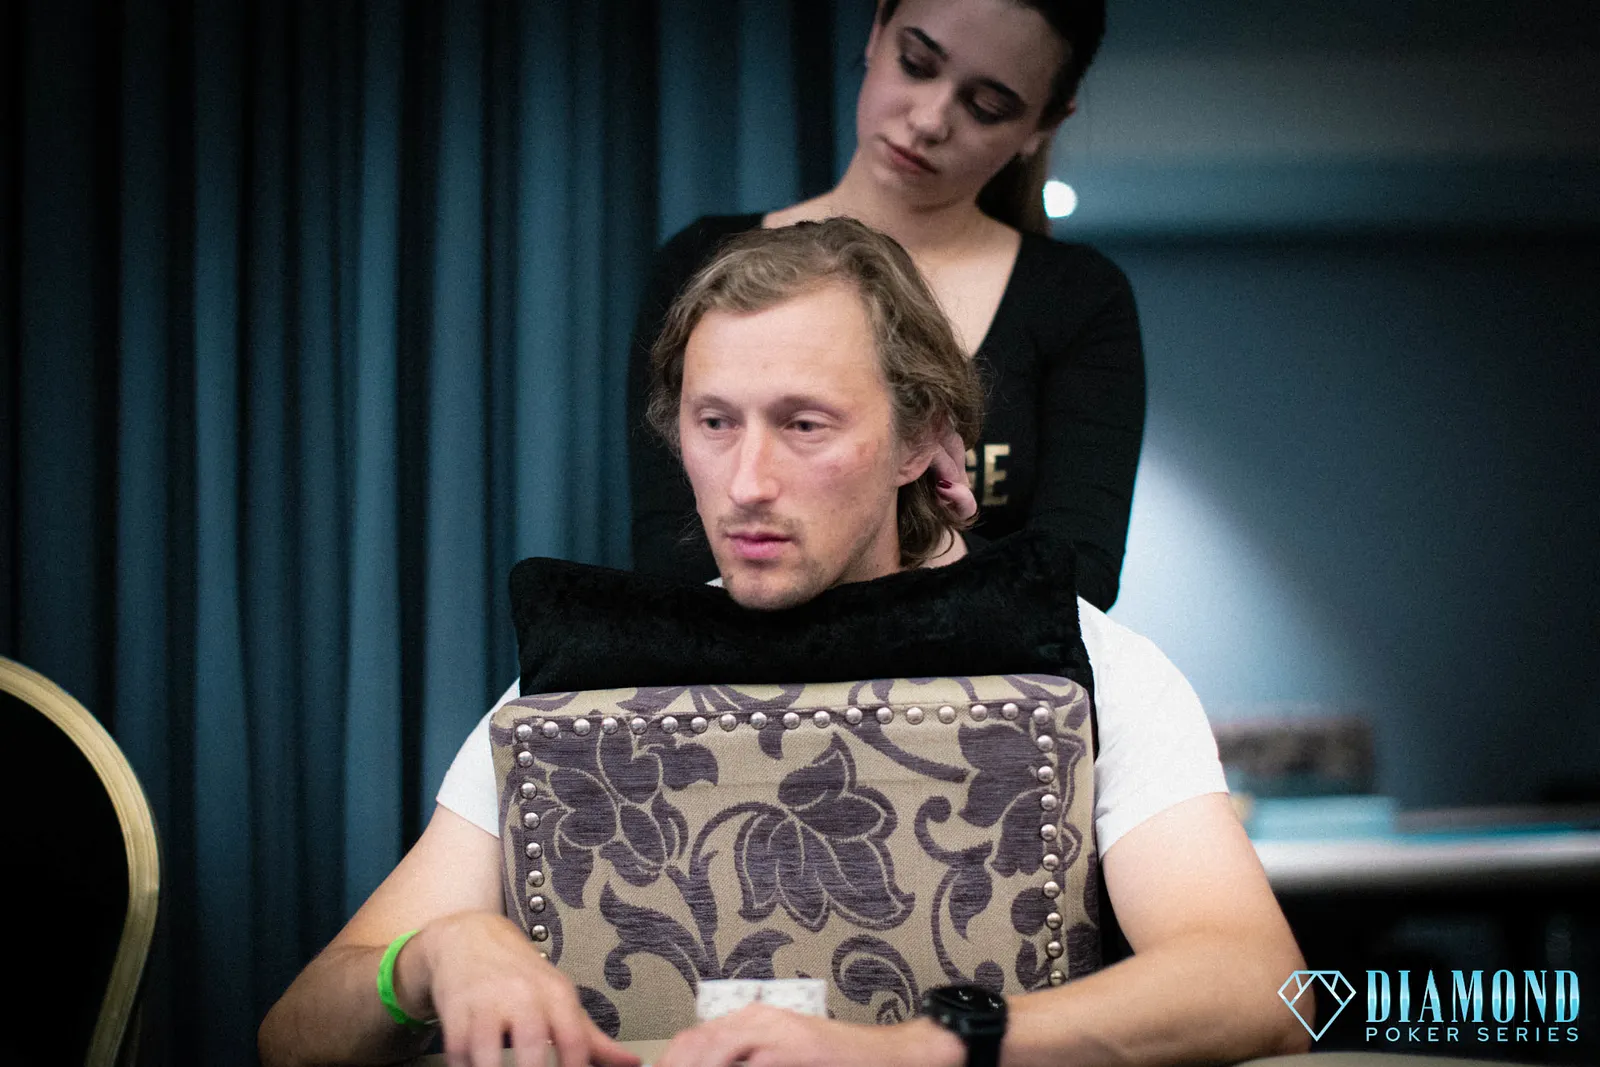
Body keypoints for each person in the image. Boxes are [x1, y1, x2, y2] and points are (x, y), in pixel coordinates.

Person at [259, 219, 1306, 1067]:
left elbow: (1266, 983)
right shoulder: (596, 678)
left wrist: (917, 1047)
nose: (747, 482)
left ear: (918, 437)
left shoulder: (1092, 667)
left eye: (805, 424)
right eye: (715, 422)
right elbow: (293, 1031)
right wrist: (436, 956)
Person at [630, 0, 1144, 611]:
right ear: (877, 30)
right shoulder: (701, 265)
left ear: (1044, 124)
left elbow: (1079, 584)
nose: (929, 121)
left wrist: (929, 545)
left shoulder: (1077, 297)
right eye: (916, 63)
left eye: (987, 107)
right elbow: (672, 555)